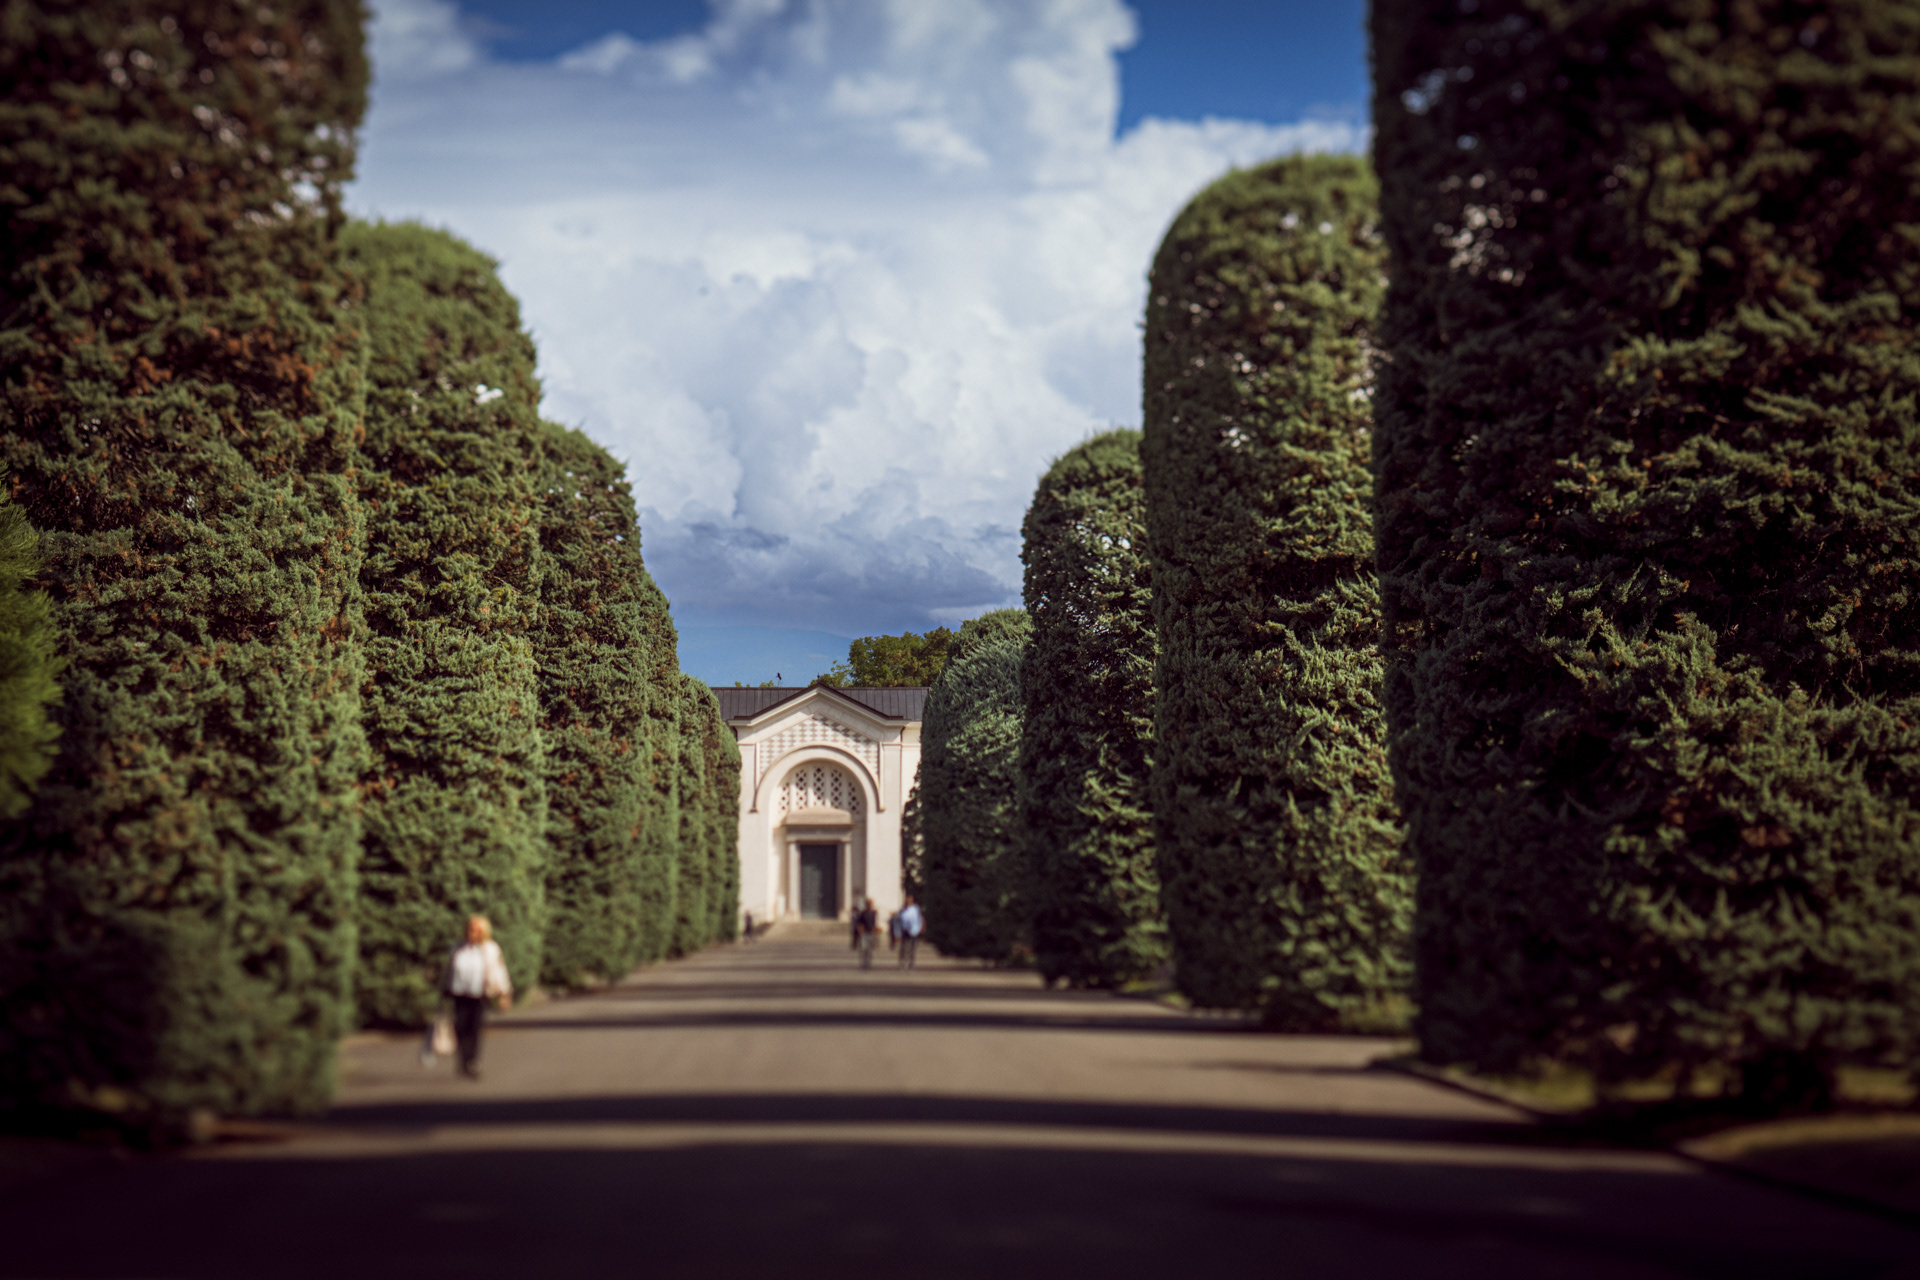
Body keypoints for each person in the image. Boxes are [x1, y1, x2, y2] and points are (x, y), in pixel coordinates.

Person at [442, 914, 512, 1079]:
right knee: (459, 1027)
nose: (472, 932)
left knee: (474, 1028)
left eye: (476, 929)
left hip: (480, 994)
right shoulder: (457, 948)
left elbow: (499, 971)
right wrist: (444, 989)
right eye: (470, 929)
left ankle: (473, 1061)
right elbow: (448, 971)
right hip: (459, 994)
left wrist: (504, 993)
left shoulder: (490, 949)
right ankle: (464, 1059)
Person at [897, 896, 924, 970]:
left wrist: (921, 927)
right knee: (904, 949)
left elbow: (920, 919)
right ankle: (902, 963)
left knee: (913, 949)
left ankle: (911, 964)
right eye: (908, 901)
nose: (909, 902)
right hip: (905, 932)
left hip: (913, 932)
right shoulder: (902, 910)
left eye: (910, 901)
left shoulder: (916, 910)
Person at [854, 897, 880, 969]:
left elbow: (876, 923)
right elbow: (859, 924)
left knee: (870, 950)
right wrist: (861, 932)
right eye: (868, 904)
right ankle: (864, 964)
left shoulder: (874, 913)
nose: (869, 905)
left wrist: (876, 932)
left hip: (872, 934)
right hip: (865, 934)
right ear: (866, 904)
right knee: (864, 950)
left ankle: (868, 963)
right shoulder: (862, 913)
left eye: (870, 904)